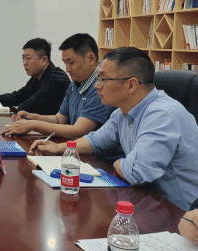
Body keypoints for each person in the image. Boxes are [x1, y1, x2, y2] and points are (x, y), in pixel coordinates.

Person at [30, 47, 198, 211]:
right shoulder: (123, 112)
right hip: (146, 201)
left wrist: (118, 162)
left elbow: (137, 173)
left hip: (178, 213)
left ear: (131, 85)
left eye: (103, 79)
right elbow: (95, 141)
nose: (97, 86)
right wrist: (59, 148)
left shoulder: (162, 115)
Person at [2, 33, 114, 139]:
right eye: (65, 63)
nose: (67, 69)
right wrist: (32, 117)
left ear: (91, 59)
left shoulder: (101, 86)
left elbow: (78, 131)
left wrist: (33, 124)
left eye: (71, 63)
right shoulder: (74, 84)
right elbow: (59, 119)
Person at [0, 38, 70, 114]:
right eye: (23, 58)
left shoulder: (57, 80)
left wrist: (17, 107)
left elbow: (28, 106)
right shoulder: (37, 77)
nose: (24, 63)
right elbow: (17, 96)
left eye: (28, 58)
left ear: (44, 60)